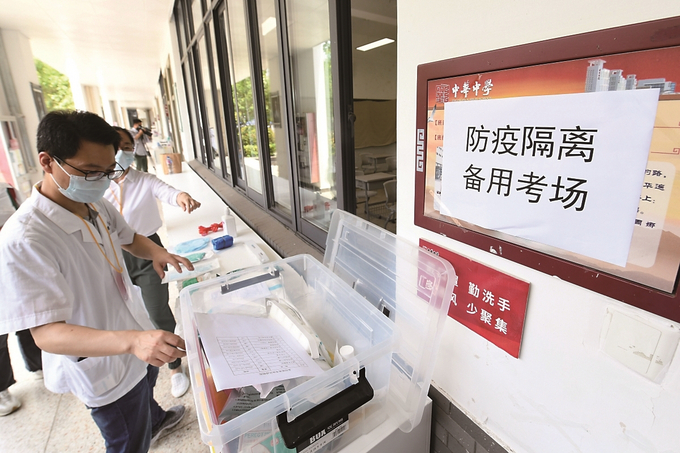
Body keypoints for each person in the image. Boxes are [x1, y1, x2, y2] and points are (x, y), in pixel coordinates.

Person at [0, 110, 194, 452]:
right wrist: (133, 341)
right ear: (47, 162)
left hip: (134, 332)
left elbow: (128, 236)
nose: (102, 181)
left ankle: (155, 420)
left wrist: (157, 252)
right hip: (103, 362)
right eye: (90, 172)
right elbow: (47, 334)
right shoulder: (24, 239)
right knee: (127, 439)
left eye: (108, 171)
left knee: (145, 391)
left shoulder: (94, 203)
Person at [105, 127, 200, 398]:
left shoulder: (143, 179)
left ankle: (175, 368)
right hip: (113, 256)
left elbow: (167, 191)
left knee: (157, 311)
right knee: (126, 314)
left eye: (127, 147)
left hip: (148, 252)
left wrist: (181, 197)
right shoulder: (98, 185)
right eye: (117, 147)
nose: (122, 152)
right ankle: (136, 369)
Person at [0, 182, 43, 416]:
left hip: (12, 260)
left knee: (26, 315)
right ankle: (1, 389)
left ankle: (37, 364)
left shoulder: (6, 189)